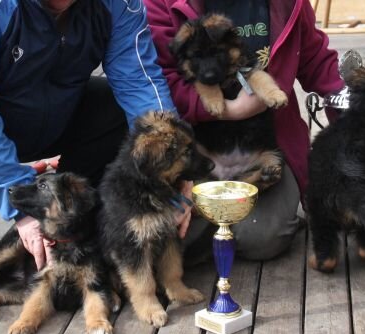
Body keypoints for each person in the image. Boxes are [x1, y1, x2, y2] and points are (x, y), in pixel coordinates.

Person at [0, 0, 191, 293]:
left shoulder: (119, 4)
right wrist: (25, 209)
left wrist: (174, 169)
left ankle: (77, 229)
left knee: (119, 113)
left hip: (62, 113)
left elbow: (140, 82)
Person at [144, 0, 345, 261]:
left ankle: (228, 225)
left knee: (265, 239)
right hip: (198, 151)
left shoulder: (287, 4)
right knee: (167, 240)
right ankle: (217, 230)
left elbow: (316, 60)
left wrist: (351, 115)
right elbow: (157, 79)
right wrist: (230, 109)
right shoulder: (159, 4)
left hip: (262, 145)